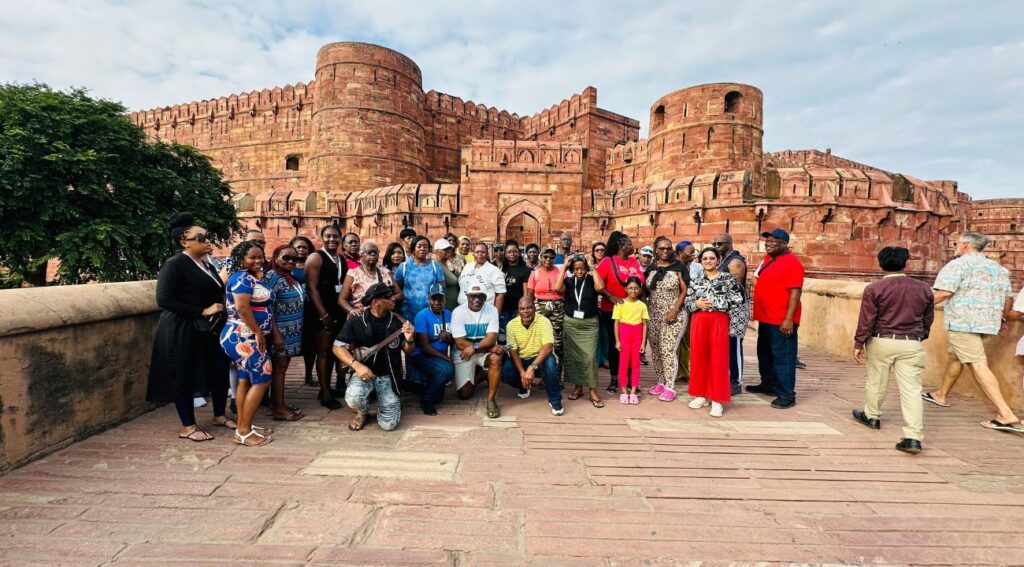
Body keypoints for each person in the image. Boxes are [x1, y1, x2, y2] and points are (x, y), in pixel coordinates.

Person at [148, 213, 232, 442]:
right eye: (201, 237)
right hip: (182, 328)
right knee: (183, 374)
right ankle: (188, 426)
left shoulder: (207, 263)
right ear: (184, 242)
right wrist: (202, 310)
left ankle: (219, 416)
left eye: (208, 237)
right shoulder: (175, 264)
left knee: (218, 368)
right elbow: (164, 299)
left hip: (208, 329)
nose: (207, 241)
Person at [923, 232, 1019, 432]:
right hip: (988, 324)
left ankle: (1006, 414)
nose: (956, 246)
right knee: (956, 356)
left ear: (966, 245)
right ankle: (941, 394)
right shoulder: (998, 269)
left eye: (957, 243)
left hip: (963, 323)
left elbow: (943, 292)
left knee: (977, 364)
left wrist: (916, 306)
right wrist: (1001, 317)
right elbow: (1008, 298)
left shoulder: (958, 264)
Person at [852, 246, 934, 454]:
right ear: (905, 263)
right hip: (911, 342)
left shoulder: (875, 288)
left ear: (880, 264)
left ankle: (872, 416)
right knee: (911, 390)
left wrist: (859, 343)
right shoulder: (923, 288)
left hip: (882, 339)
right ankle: (913, 436)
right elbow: (927, 318)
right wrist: (920, 335)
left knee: (877, 380)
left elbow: (867, 320)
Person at [333, 283, 415, 432]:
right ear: (376, 301)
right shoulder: (357, 319)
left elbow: (408, 351)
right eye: (389, 297)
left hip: (388, 375)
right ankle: (362, 412)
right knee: (353, 397)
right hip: (364, 373)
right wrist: (356, 365)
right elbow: (337, 347)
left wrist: (409, 339)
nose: (393, 299)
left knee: (389, 425)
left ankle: (388, 403)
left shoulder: (399, 321)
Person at [220, 241, 276, 446]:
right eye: (252, 257)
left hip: (245, 336)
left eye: (260, 256)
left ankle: (244, 424)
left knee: (245, 379)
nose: (258, 260)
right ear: (241, 259)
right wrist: (258, 332)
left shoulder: (249, 277)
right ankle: (243, 432)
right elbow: (242, 308)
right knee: (262, 380)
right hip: (245, 337)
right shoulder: (242, 278)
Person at [685, 247, 746, 418]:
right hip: (699, 321)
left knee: (718, 359)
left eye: (712, 258)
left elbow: (737, 299)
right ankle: (700, 394)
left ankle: (717, 399)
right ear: (700, 261)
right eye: (705, 258)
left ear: (718, 260)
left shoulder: (727, 279)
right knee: (698, 357)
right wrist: (696, 304)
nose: (708, 261)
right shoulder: (696, 280)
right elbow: (688, 301)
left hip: (718, 320)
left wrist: (715, 302)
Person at [747, 228, 804, 409]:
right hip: (766, 317)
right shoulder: (767, 259)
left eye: (774, 241)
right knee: (765, 353)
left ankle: (787, 394)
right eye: (768, 240)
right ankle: (769, 384)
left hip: (781, 319)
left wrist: (788, 319)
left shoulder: (792, 263)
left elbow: (795, 291)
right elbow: (755, 278)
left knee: (783, 357)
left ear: (784, 244)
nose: (769, 243)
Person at [596, 231, 645, 393]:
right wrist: (612, 297)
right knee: (615, 345)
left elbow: (640, 282)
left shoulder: (633, 262)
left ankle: (630, 380)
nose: (632, 247)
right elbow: (597, 284)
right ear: (621, 246)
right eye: (630, 244)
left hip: (632, 312)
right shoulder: (607, 262)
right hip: (611, 310)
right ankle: (614, 378)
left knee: (632, 346)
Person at [303, 224, 346, 410]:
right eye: (328, 236)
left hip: (336, 311)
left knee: (333, 352)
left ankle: (326, 387)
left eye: (335, 236)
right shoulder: (316, 258)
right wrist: (322, 313)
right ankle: (325, 394)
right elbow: (311, 287)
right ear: (321, 238)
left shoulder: (340, 259)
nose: (332, 240)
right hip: (321, 313)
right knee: (323, 352)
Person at [555, 255, 606, 408]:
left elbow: (601, 288)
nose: (580, 271)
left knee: (589, 358)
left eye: (582, 268)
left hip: (589, 325)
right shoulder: (569, 282)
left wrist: (592, 267)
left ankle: (593, 390)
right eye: (576, 269)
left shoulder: (591, 280)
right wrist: (564, 266)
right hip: (571, 324)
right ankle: (578, 387)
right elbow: (557, 289)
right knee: (574, 358)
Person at [263, 245, 306, 421]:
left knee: (282, 368)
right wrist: (276, 335)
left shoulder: (289, 277)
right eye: (286, 258)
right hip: (281, 332)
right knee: (279, 369)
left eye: (295, 259)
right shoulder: (272, 277)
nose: (291, 262)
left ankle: (276, 403)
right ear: (275, 257)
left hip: (291, 331)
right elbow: (266, 307)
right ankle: (279, 408)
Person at [644, 236, 688, 402]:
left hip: (673, 314)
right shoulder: (651, 268)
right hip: (653, 313)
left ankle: (670, 386)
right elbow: (645, 290)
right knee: (655, 349)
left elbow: (684, 291)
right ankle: (661, 381)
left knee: (668, 349)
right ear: (656, 249)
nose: (665, 251)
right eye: (662, 248)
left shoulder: (678, 267)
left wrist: (675, 310)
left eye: (668, 248)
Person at [503, 297, 564, 415]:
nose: (526, 311)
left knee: (551, 364)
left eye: (529, 308)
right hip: (522, 359)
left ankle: (555, 400)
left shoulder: (544, 321)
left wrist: (532, 367)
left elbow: (548, 346)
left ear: (535, 309)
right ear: (518, 311)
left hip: (539, 360)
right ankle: (524, 385)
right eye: (522, 309)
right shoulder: (511, 325)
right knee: (506, 371)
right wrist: (522, 373)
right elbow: (513, 351)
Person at [451, 284, 504, 417]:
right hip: (465, 353)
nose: (477, 299)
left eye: (481, 296)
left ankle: (491, 400)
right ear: (467, 297)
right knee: (464, 394)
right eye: (473, 296)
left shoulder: (492, 310)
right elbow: (459, 343)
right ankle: (484, 375)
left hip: (479, 351)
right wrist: (486, 346)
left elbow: (491, 338)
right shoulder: (458, 312)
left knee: (495, 358)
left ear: (485, 298)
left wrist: (474, 347)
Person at [409, 284, 455, 415]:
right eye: (433, 299)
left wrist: (448, 339)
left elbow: (454, 341)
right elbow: (424, 346)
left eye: (440, 299)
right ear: (429, 299)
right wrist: (446, 358)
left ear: (444, 300)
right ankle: (426, 399)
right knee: (446, 371)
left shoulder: (448, 315)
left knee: (438, 398)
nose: (436, 303)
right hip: (422, 355)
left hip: (438, 357)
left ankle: (422, 389)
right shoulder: (422, 316)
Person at [713, 234, 749, 395]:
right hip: (725, 310)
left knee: (734, 345)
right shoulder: (723, 260)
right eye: (714, 243)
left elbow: (736, 289)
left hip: (736, 310)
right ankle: (727, 377)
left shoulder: (735, 262)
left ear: (729, 244)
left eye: (719, 243)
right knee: (726, 344)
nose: (716, 246)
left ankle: (737, 381)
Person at [528, 247, 565, 380]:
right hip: (540, 306)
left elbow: (565, 289)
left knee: (557, 342)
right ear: (540, 257)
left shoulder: (560, 271)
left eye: (551, 257)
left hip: (557, 306)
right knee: (541, 341)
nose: (548, 260)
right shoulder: (535, 273)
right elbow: (529, 295)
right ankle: (544, 376)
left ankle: (557, 376)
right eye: (545, 257)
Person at [339, 241, 403, 315]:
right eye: (369, 252)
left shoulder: (386, 272)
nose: (373, 254)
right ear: (361, 255)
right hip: (361, 317)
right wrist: (352, 311)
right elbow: (342, 299)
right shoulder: (353, 274)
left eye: (375, 253)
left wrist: (388, 299)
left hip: (383, 317)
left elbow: (400, 294)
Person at [394, 235, 446, 321]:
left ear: (429, 249)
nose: (422, 249)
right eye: (419, 246)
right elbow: (398, 288)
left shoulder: (435, 266)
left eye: (425, 246)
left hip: (430, 312)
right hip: (408, 312)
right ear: (413, 248)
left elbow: (442, 288)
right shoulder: (403, 267)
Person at [613, 277, 648, 404]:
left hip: (637, 336)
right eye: (630, 288)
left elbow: (644, 324)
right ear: (625, 289)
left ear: (639, 290)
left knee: (635, 365)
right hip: (624, 335)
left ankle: (633, 391)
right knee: (623, 363)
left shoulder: (642, 305)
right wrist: (617, 340)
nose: (633, 290)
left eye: (636, 288)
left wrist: (643, 342)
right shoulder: (620, 303)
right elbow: (616, 323)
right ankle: (623, 390)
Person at [290, 235, 317, 386]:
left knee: (310, 344)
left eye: (304, 247)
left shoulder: (312, 264)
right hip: (290, 310)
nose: (301, 250)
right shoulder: (286, 265)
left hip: (308, 308)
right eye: (298, 247)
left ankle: (308, 374)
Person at [458, 242, 507, 310]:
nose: (480, 254)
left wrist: (496, 314)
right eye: (477, 252)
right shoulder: (467, 267)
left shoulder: (494, 271)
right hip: (463, 309)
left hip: (484, 311)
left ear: (487, 254)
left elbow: (500, 294)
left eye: (483, 252)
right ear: (473, 254)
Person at [501, 240, 533, 335]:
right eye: (509, 252)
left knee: (518, 333)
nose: (512, 254)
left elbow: (525, 293)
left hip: (517, 308)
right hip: (504, 308)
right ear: (505, 254)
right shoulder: (501, 269)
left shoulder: (525, 270)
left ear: (519, 253)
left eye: (515, 251)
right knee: (504, 333)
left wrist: (523, 309)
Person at [591, 242, 609, 369]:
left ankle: (605, 358)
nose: (599, 252)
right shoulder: (590, 266)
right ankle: (597, 359)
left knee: (606, 331)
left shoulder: (609, 265)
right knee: (595, 331)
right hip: (592, 300)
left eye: (602, 250)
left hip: (606, 299)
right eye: (597, 250)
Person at [433, 238, 461, 311]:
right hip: (444, 307)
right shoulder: (435, 266)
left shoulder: (448, 264)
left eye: (450, 249)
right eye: (445, 249)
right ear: (436, 251)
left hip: (453, 306)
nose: (449, 251)